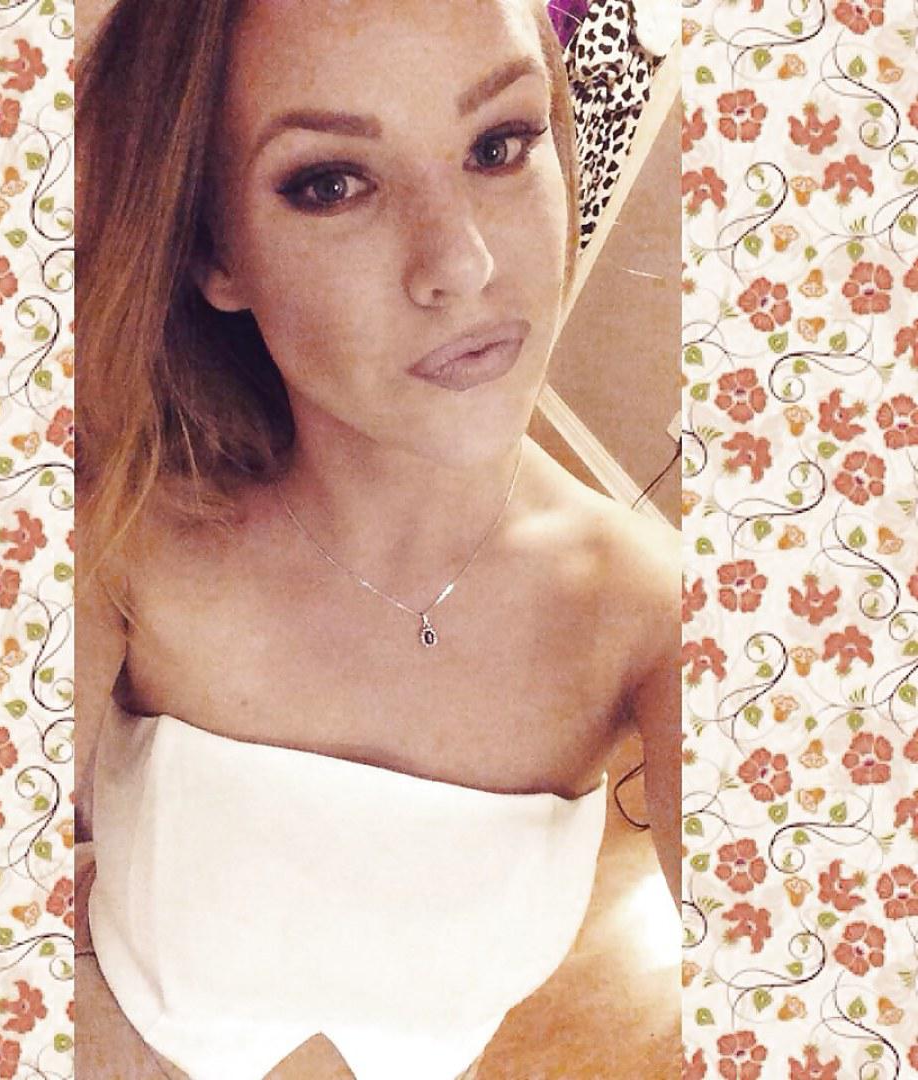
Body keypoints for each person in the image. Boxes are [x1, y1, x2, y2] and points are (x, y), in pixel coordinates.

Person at [75, 0, 680, 1077]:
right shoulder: (120, 526)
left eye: (499, 144)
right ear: (216, 252)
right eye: (331, 183)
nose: (462, 263)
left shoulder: (656, 623)